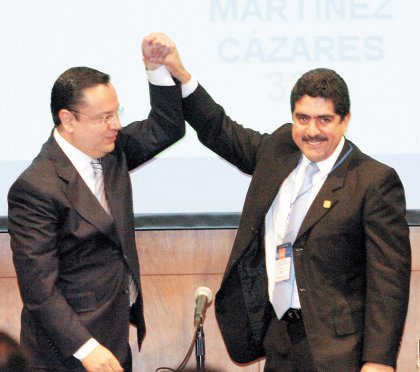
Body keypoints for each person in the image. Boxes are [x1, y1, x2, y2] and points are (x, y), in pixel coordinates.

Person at [143, 37, 411, 371]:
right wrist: (179, 73)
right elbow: (218, 128)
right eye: (302, 118)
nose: (311, 131)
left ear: (345, 120)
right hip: (280, 339)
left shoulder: (373, 181)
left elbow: (390, 281)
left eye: (324, 120)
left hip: (339, 352)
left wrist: (379, 360)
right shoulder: (280, 150)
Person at [7, 33, 184, 371]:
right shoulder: (35, 188)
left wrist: (157, 69)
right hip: (64, 353)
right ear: (68, 120)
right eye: (104, 117)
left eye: (115, 113)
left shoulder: (112, 153)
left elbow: (168, 127)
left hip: (113, 338)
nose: (115, 124)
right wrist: (86, 348)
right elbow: (39, 289)